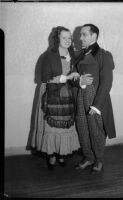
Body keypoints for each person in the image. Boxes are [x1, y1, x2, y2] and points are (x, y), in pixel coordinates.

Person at [27, 26, 84, 170]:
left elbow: (74, 75)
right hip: (50, 93)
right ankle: (51, 155)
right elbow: (45, 79)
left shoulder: (72, 53)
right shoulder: (48, 55)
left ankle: (61, 154)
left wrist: (79, 80)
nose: (68, 40)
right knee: (51, 127)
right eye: (64, 37)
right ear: (57, 39)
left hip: (66, 94)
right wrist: (67, 77)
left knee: (64, 127)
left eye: (69, 37)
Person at [74, 24, 116, 173]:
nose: (80, 38)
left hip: (96, 97)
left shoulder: (104, 55)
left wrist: (96, 105)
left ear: (94, 36)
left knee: (96, 130)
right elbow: (72, 76)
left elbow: (106, 82)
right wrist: (80, 81)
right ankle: (88, 157)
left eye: (84, 34)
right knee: (82, 128)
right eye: (80, 35)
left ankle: (98, 159)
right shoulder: (79, 54)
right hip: (81, 95)